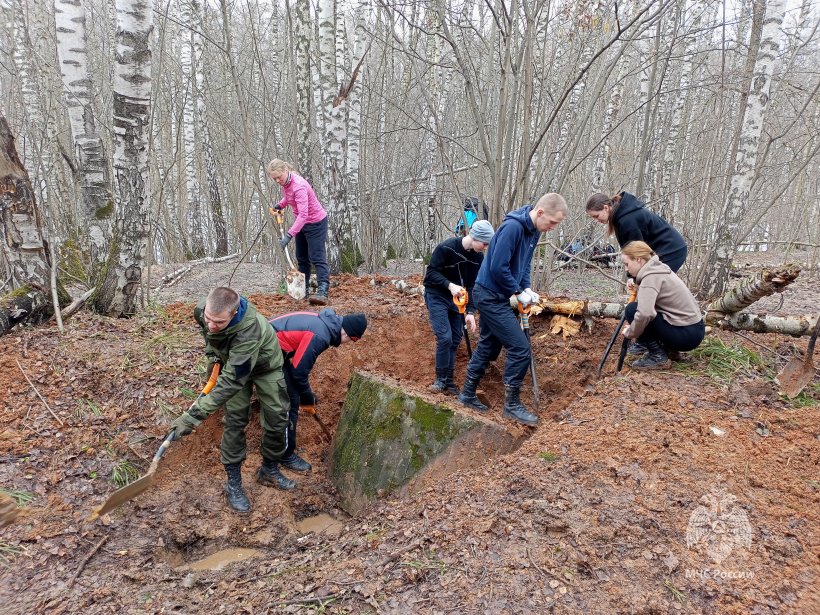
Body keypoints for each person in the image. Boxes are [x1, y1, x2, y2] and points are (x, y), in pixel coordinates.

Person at [172, 287, 294, 514]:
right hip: (234, 363)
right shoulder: (203, 310)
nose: (210, 325)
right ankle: (234, 483)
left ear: (235, 312)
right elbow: (208, 335)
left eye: (218, 322)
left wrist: (193, 416)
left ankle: (269, 469)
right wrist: (213, 354)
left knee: (277, 418)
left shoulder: (250, 330)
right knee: (235, 420)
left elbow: (231, 382)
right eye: (208, 319)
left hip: (265, 367)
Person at [458, 193, 568, 426]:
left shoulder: (534, 231)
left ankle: (467, 394)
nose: (552, 227)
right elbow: (498, 267)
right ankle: (512, 405)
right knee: (520, 347)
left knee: (489, 344)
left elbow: (524, 264)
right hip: (488, 295)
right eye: (552, 222)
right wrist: (517, 291)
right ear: (540, 212)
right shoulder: (512, 228)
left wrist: (526, 287)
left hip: (498, 295)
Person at [268, 309, 368, 472]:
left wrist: (307, 395)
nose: (346, 343)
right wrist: (306, 398)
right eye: (350, 340)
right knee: (290, 401)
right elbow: (299, 372)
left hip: (275, 346)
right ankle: (285, 455)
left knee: (293, 393)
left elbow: (296, 366)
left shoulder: (324, 323)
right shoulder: (321, 335)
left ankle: (286, 448)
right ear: (348, 334)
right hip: (266, 348)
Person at [423, 219, 495, 395]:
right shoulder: (446, 248)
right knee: (445, 337)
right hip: (437, 295)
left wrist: (470, 311)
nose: (485, 247)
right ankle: (440, 381)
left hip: (458, 301)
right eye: (484, 243)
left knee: (455, 339)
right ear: (474, 236)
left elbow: (472, 285)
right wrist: (449, 285)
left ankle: (449, 381)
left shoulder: (478, 258)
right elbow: (430, 274)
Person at [619, 241, 705, 369]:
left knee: (632, 310)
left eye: (627, 264)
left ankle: (657, 356)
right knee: (639, 311)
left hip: (686, 335)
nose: (626, 268)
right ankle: (669, 350)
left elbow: (645, 313)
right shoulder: (658, 269)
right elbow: (659, 300)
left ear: (638, 260)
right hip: (693, 330)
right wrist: (638, 287)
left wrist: (631, 332)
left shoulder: (650, 277)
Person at [267, 159, 330, 305]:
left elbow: (303, 215)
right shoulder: (286, 183)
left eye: (278, 177)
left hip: (315, 223)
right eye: (274, 178)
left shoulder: (299, 186)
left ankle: (323, 290)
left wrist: (289, 235)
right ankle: (304, 289)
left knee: (317, 257)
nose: (277, 180)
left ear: (285, 170)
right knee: (301, 257)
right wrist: (280, 204)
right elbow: (289, 197)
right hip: (302, 223)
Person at [585, 191, 687, 273]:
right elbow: (629, 251)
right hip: (662, 250)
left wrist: (634, 279)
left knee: (654, 282)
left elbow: (637, 254)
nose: (596, 220)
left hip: (672, 250)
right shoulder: (619, 217)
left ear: (606, 208)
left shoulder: (628, 221)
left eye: (596, 216)